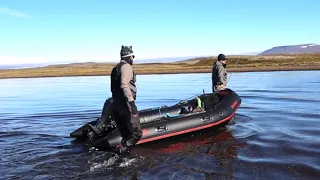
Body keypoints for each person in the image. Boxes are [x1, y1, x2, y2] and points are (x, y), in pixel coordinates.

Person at [110, 45, 142, 154]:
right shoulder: (127, 67)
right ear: (129, 57)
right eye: (132, 56)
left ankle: (123, 159)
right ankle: (121, 150)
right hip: (125, 105)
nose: (133, 59)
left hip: (116, 106)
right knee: (136, 133)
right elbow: (124, 85)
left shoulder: (115, 68)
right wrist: (132, 104)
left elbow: (113, 89)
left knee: (125, 134)